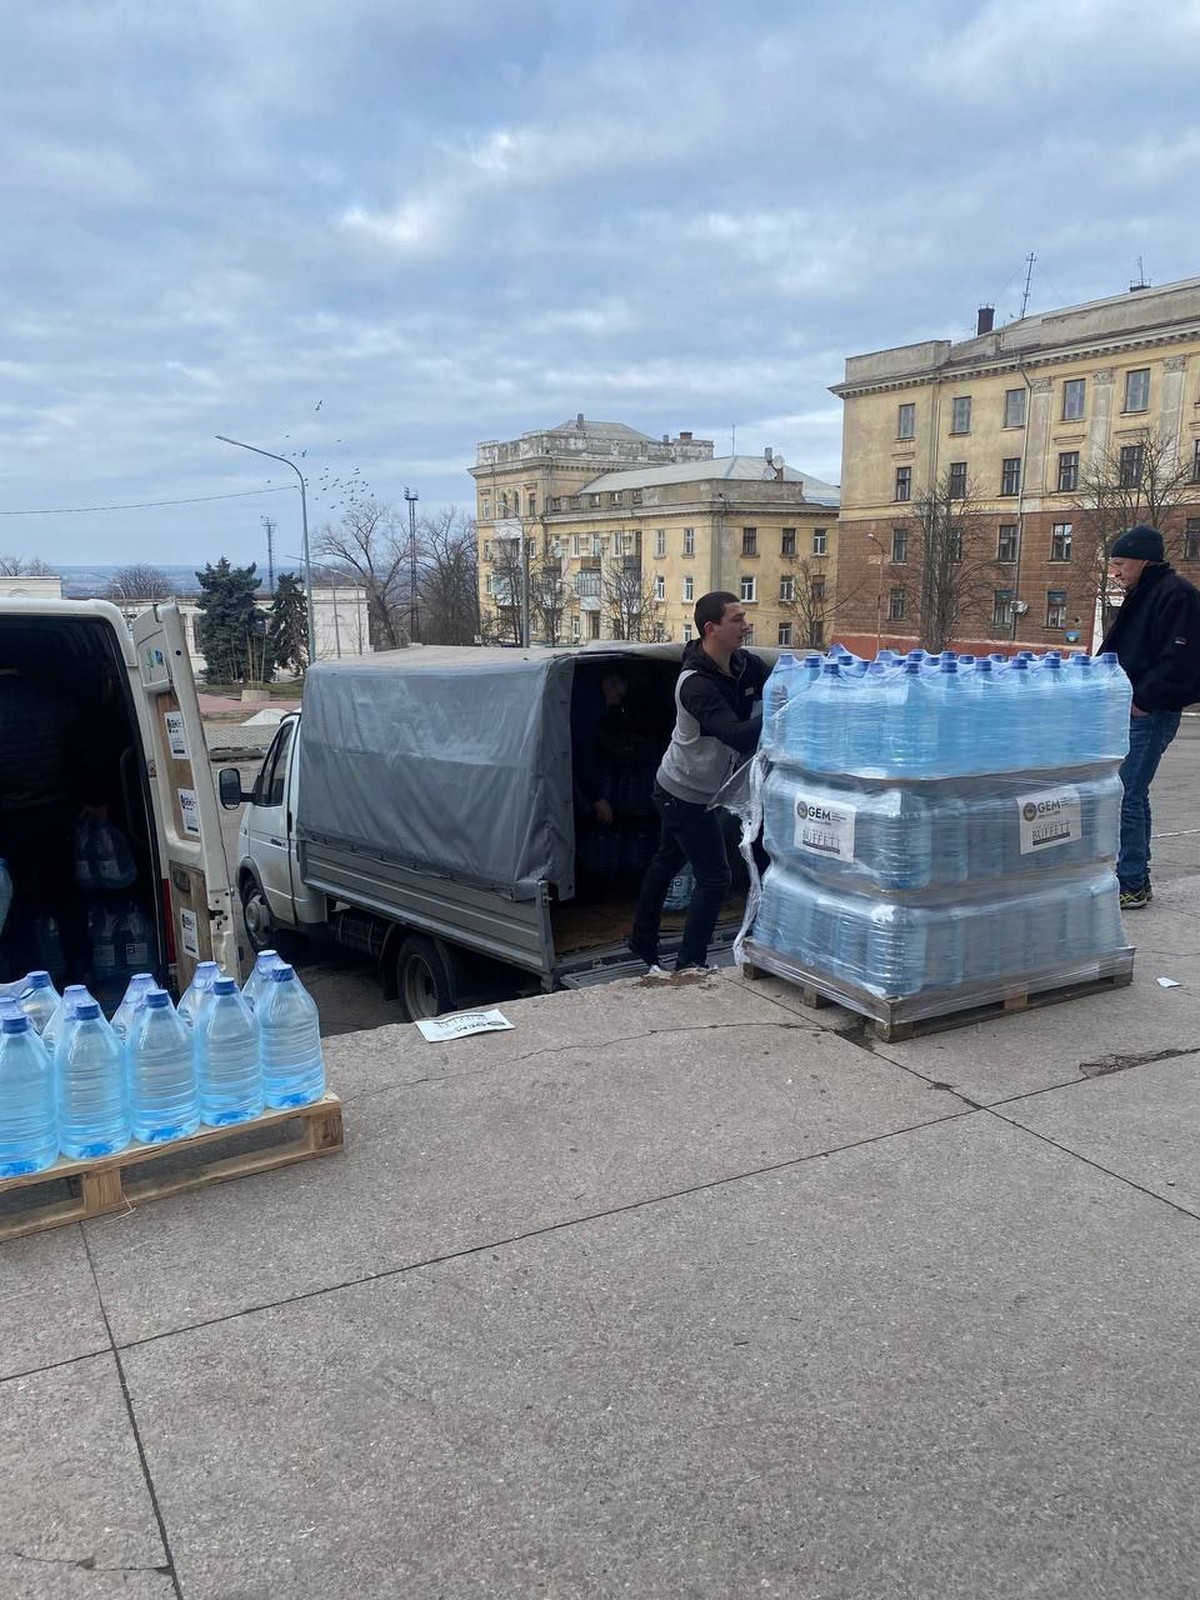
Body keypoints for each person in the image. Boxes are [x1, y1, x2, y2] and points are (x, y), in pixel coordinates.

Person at [629, 591, 768, 973]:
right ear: (712, 629)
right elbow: (736, 735)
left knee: (666, 860)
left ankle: (641, 938)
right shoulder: (695, 684)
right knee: (715, 876)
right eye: (736, 619)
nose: (745, 625)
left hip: (699, 789)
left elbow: (779, 678)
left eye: (744, 617)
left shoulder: (743, 664)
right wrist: (781, 710)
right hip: (681, 791)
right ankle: (691, 963)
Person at [1100, 523, 1200, 910]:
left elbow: (1182, 659)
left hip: (1150, 713)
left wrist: (1143, 699)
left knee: (1127, 794)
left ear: (1144, 560)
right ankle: (1132, 876)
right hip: (1131, 711)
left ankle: (1133, 882)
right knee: (1129, 794)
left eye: (1121, 564)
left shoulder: (1178, 596)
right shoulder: (1144, 593)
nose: (1116, 572)